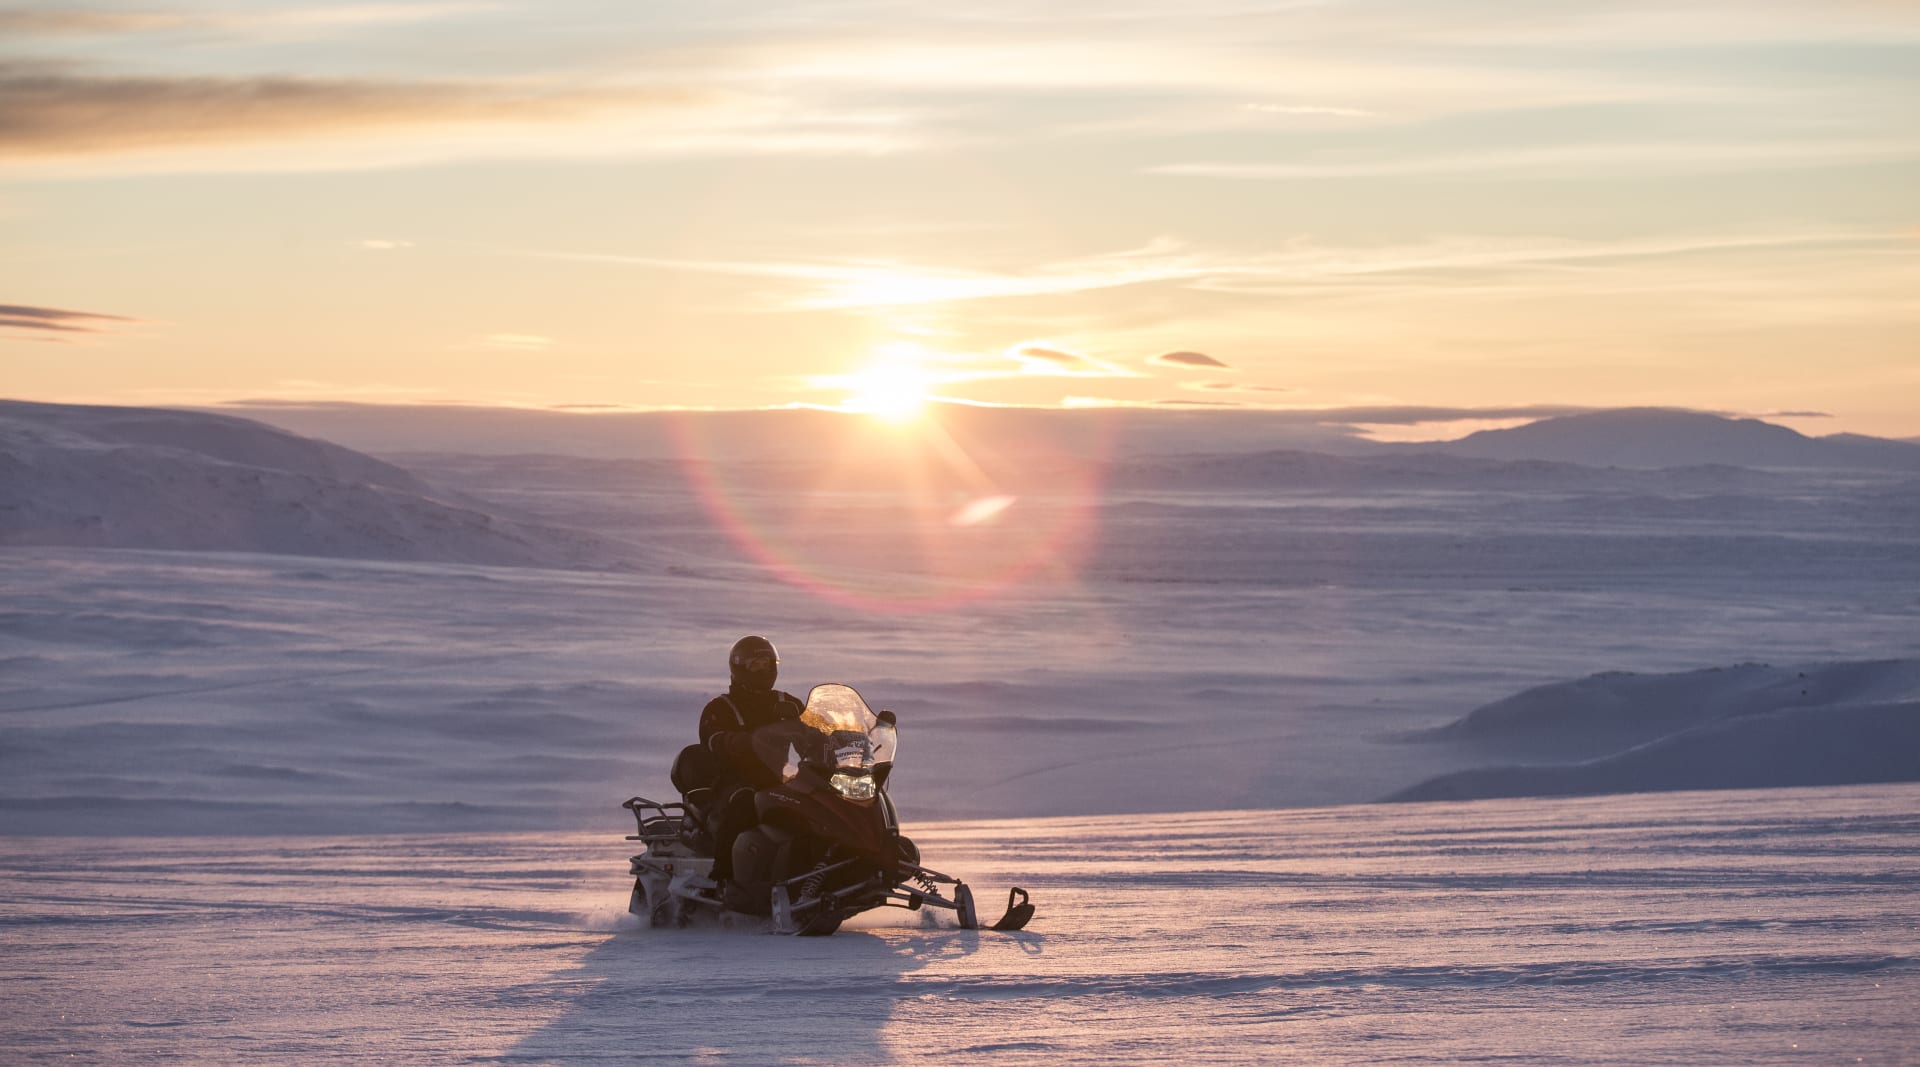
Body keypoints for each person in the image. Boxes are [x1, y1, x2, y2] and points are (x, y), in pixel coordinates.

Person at [695, 635, 805, 884]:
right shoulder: (720, 707)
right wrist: (733, 741)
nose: (763, 669)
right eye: (756, 664)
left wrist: (835, 739)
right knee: (744, 802)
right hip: (733, 781)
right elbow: (712, 738)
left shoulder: (786, 703)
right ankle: (724, 875)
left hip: (776, 780)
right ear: (740, 666)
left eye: (767, 664)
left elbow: (810, 730)